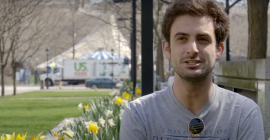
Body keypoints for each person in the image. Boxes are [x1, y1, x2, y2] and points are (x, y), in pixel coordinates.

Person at [120, 0, 265, 140]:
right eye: (182, 38)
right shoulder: (139, 114)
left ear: (219, 50)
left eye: (203, 39)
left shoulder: (243, 114)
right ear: (167, 48)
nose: (192, 49)